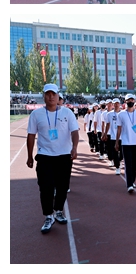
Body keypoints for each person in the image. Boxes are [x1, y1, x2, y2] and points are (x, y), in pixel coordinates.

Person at [26, 83, 79, 233]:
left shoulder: (67, 113)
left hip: (64, 156)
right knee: (45, 187)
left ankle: (58, 211)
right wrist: (29, 156)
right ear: (43, 96)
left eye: (53, 94)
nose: (51, 97)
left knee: (63, 187)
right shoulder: (36, 114)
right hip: (45, 156)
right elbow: (31, 136)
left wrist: (74, 147)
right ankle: (48, 216)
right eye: (48, 94)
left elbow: (74, 131)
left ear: (58, 96)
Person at [115, 94, 136, 192]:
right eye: (128, 100)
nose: (130, 101)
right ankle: (129, 184)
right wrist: (117, 142)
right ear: (125, 102)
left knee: (134, 164)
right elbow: (119, 129)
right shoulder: (121, 114)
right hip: (126, 142)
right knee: (127, 164)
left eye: (132, 100)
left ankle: (132, 181)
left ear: (134, 101)